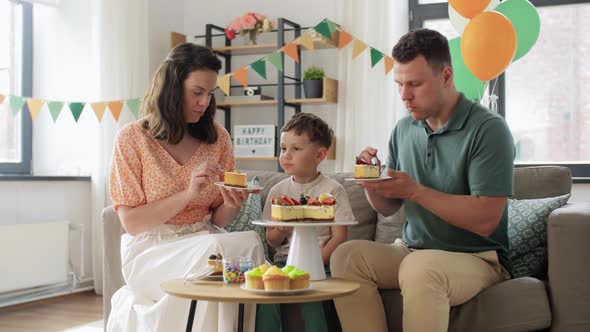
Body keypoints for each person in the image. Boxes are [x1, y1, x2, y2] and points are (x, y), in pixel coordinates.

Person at [330, 29, 515, 332]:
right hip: (413, 250)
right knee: (347, 256)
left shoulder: (488, 129)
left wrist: (415, 191)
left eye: (414, 84)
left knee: (422, 267)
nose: (404, 95)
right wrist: (371, 183)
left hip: (478, 258)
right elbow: (388, 208)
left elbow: (486, 220)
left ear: (445, 75)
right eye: (399, 84)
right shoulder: (404, 129)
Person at [107, 43, 264, 332]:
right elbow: (131, 222)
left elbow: (218, 220)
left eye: (209, 94)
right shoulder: (131, 139)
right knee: (215, 249)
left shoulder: (219, 139)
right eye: (197, 92)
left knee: (249, 243)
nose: (205, 103)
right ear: (171, 88)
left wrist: (231, 203)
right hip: (151, 249)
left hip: (202, 238)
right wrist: (189, 193)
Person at [257, 112, 355, 332]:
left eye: (296, 149)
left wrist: (312, 264)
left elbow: (339, 237)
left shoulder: (332, 190)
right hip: (284, 264)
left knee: (312, 299)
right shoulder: (277, 191)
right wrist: (280, 230)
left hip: (323, 266)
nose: (286, 155)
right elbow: (272, 241)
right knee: (266, 297)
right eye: (283, 148)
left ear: (319, 154)